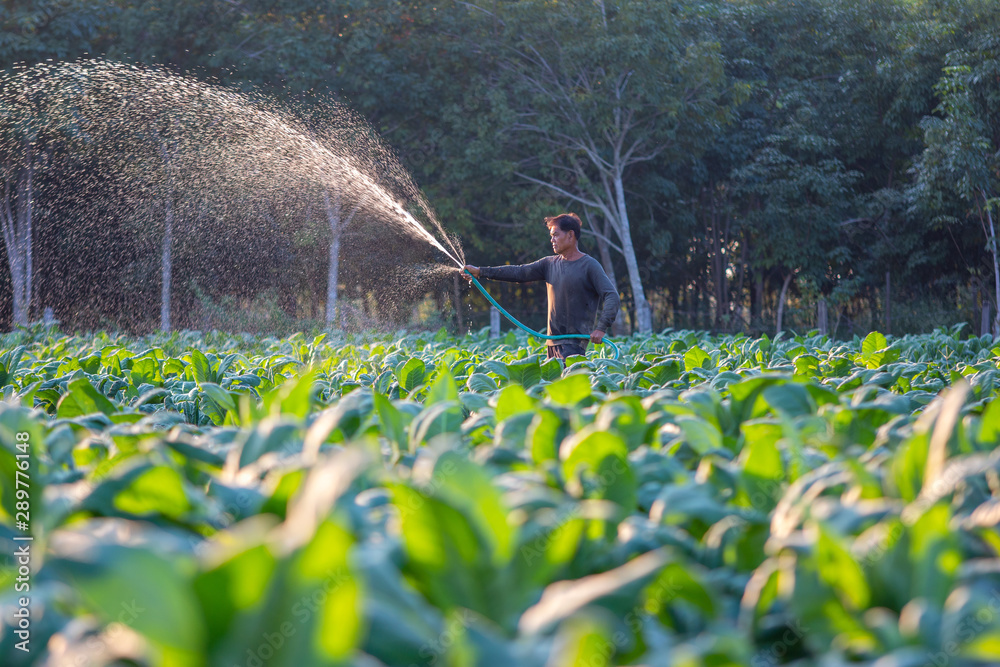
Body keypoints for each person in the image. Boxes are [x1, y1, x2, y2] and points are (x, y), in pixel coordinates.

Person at [465, 213, 620, 360]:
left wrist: (601, 328)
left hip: (574, 345)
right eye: (551, 236)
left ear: (570, 235)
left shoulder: (589, 265)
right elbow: (519, 272)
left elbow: (611, 295)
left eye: (556, 235)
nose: (552, 240)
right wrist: (480, 272)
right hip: (552, 344)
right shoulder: (549, 264)